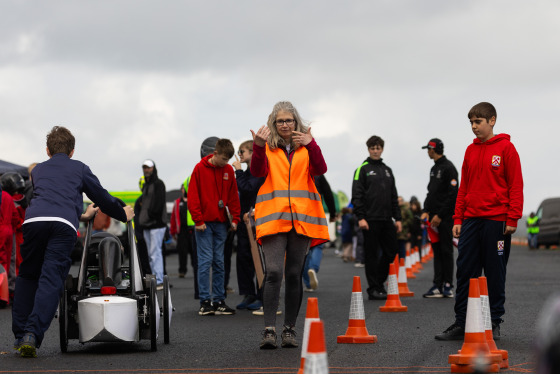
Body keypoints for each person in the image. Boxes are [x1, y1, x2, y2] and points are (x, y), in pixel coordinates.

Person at [11, 126, 134, 358]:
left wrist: (81, 215)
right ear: (72, 151)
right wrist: (121, 213)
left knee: (28, 275)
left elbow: (51, 199)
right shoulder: (79, 168)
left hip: (34, 221)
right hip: (62, 226)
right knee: (51, 278)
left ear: (47, 150)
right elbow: (102, 197)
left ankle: (19, 334)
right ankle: (31, 334)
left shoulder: (37, 171)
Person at [435, 102, 523, 341]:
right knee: (465, 272)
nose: (474, 127)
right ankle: (461, 323)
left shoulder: (507, 148)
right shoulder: (470, 151)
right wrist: (458, 217)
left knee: (495, 272)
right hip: (471, 219)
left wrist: (512, 216)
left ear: (492, 121)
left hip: (497, 220)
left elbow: (515, 185)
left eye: (478, 122)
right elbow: (464, 188)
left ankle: (493, 322)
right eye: (471, 123)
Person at [251, 101, 329, 349]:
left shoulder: (306, 147)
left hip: (301, 219)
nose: (285, 125)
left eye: (289, 120)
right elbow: (256, 172)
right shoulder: (268, 149)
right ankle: (269, 330)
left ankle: (289, 330)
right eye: (280, 121)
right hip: (274, 218)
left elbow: (321, 169)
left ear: (296, 122)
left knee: (294, 274)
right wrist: (258, 147)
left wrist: (311, 144)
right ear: (274, 124)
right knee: (274, 272)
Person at [188, 138, 241, 316]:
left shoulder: (227, 171)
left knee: (219, 261)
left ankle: (218, 300)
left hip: (221, 224)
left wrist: (235, 218)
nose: (226, 163)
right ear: (215, 153)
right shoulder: (199, 169)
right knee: (205, 261)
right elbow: (193, 196)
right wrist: (198, 220)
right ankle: (205, 301)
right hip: (204, 224)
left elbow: (233, 196)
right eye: (224, 159)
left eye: (228, 160)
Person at [351, 135, 402, 300]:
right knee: (371, 255)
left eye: (378, 148)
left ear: (382, 149)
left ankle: (379, 283)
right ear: (368, 149)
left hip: (387, 219)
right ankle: (373, 288)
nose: (375, 151)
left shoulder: (388, 170)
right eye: (372, 148)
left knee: (392, 251)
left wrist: (398, 218)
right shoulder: (362, 169)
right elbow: (356, 195)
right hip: (369, 220)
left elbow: (394, 196)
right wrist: (361, 217)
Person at [420, 138, 459, 299]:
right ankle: (437, 285)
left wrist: (440, 215)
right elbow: (431, 193)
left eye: (428, 149)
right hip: (433, 219)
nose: (427, 152)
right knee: (437, 251)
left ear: (433, 150)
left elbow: (453, 195)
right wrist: (425, 210)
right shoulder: (433, 168)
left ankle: (448, 285)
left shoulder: (449, 168)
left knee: (446, 251)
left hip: (445, 218)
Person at [232, 140, 265, 310]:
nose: (240, 154)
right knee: (243, 257)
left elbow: (248, 189)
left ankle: (262, 295)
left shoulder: (259, 171)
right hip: (245, 219)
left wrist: (238, 171)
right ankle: (248, 293)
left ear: (253, 153)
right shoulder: (247, 171)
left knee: (258, 258)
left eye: (242, 151)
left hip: (258, 219)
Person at [302, 174, 337, 292]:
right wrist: (332, 214)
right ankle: (313, 268)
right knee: (317, 245)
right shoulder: (318, 174)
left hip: (299, 215)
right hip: (316, 213)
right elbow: (328, 194)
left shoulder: (295, 168)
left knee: (302, 250)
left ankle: (308, 284)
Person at [138, 159, 167, 287]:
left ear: (153, 168)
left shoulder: (159, 184)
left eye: (148, 167)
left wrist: (149, 215)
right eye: (144, 167)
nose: (146, 170)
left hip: (156, 225)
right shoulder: (146, 185)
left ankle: (159, 280)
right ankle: (155, 279)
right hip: (147, 225)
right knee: (151, 254)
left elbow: (159, 204)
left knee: (155, 254)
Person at [170, 179, 199, 298]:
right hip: (181, 231)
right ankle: (182, 270)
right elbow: (173, 217)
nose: (184, 190)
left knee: (193, 251)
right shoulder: (177, 202)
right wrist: (173, 231)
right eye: (182, 188)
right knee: (182, 252)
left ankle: (195, 268)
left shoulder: (193, 200)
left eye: (184, 188)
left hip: (192, 230)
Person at [397, 196, 413, 260]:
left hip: (403, 232)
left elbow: (411, 219)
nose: (399, 202)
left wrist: (403, 224)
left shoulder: (406, 209)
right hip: (395, 231)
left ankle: (402, 261)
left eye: (400, 200)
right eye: (398, 201)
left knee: (402, 247)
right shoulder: (395, 209)